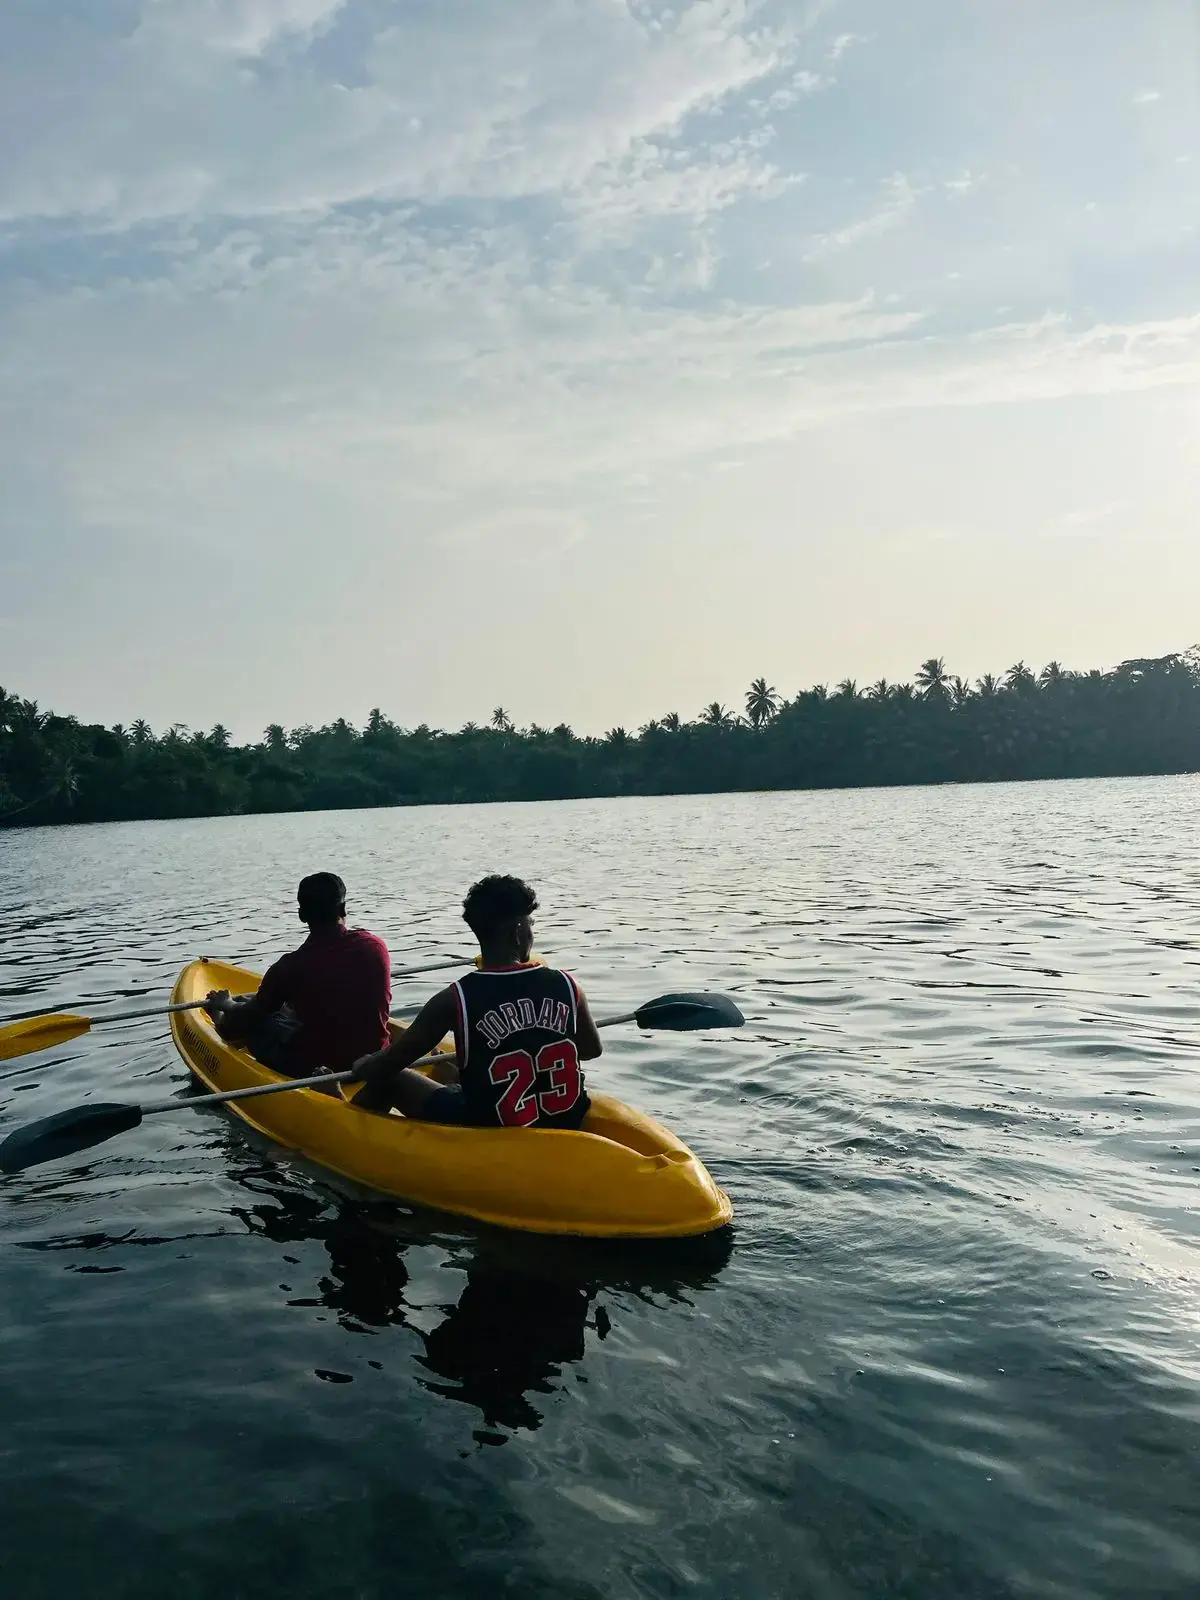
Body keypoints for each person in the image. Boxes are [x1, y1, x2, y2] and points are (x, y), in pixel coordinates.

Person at [350, 875, 601, 1126]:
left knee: (391, 1078)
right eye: (530, 925)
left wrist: (367, 1065)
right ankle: (453, 1077)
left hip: (487, 1127)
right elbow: (591, 1050)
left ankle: (342, 1109)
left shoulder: (454, 999)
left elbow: (389, 1064)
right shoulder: (568, 985)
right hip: (566, 1119)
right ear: (517, 932)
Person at [204, 872, 391, 1080]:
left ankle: (220, 1020)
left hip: (321, 1068)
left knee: (253, 1022)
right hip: (376, 1059)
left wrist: (227, 1004)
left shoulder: (290, 967)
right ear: (343, 908)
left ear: (301, 915)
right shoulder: (376, 946)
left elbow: (253, 1014)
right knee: (281, 1010)